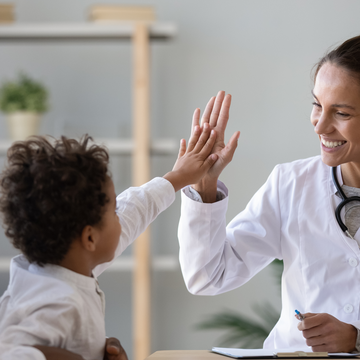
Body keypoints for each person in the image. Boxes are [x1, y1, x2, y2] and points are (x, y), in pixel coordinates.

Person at [178, 35, 360, 353]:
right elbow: (208, 277)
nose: (320, 126)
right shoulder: (290, 185)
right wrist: (204, 185)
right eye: (317, 105)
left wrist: (357, 340)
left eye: (341, 113)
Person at [0, 122, 218, 360]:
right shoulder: (56, 302)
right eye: (114, 211)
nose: (120, 217)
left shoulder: (59, 269)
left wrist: (175, 179)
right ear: (90, 237)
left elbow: (132, 211)